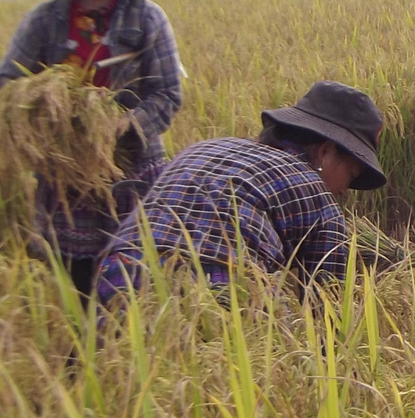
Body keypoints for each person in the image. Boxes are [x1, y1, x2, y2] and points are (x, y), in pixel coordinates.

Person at [0, 0, 183, 300]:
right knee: (72, 282)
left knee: (136, 277)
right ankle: (79, 356)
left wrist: (120, 126)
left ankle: (132, 356)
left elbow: (167, 95)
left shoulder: (147, 19)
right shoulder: (45, 20)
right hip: (65, 176)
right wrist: (43, 114)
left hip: (133, 171)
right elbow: (4, 84)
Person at [95, 80, 388, 301]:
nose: (346, 191)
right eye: (351, 175)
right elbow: (328, 308)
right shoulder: (317, 197)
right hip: (217, 290)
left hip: (118, 274)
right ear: (325, 152)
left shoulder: (204, 148)